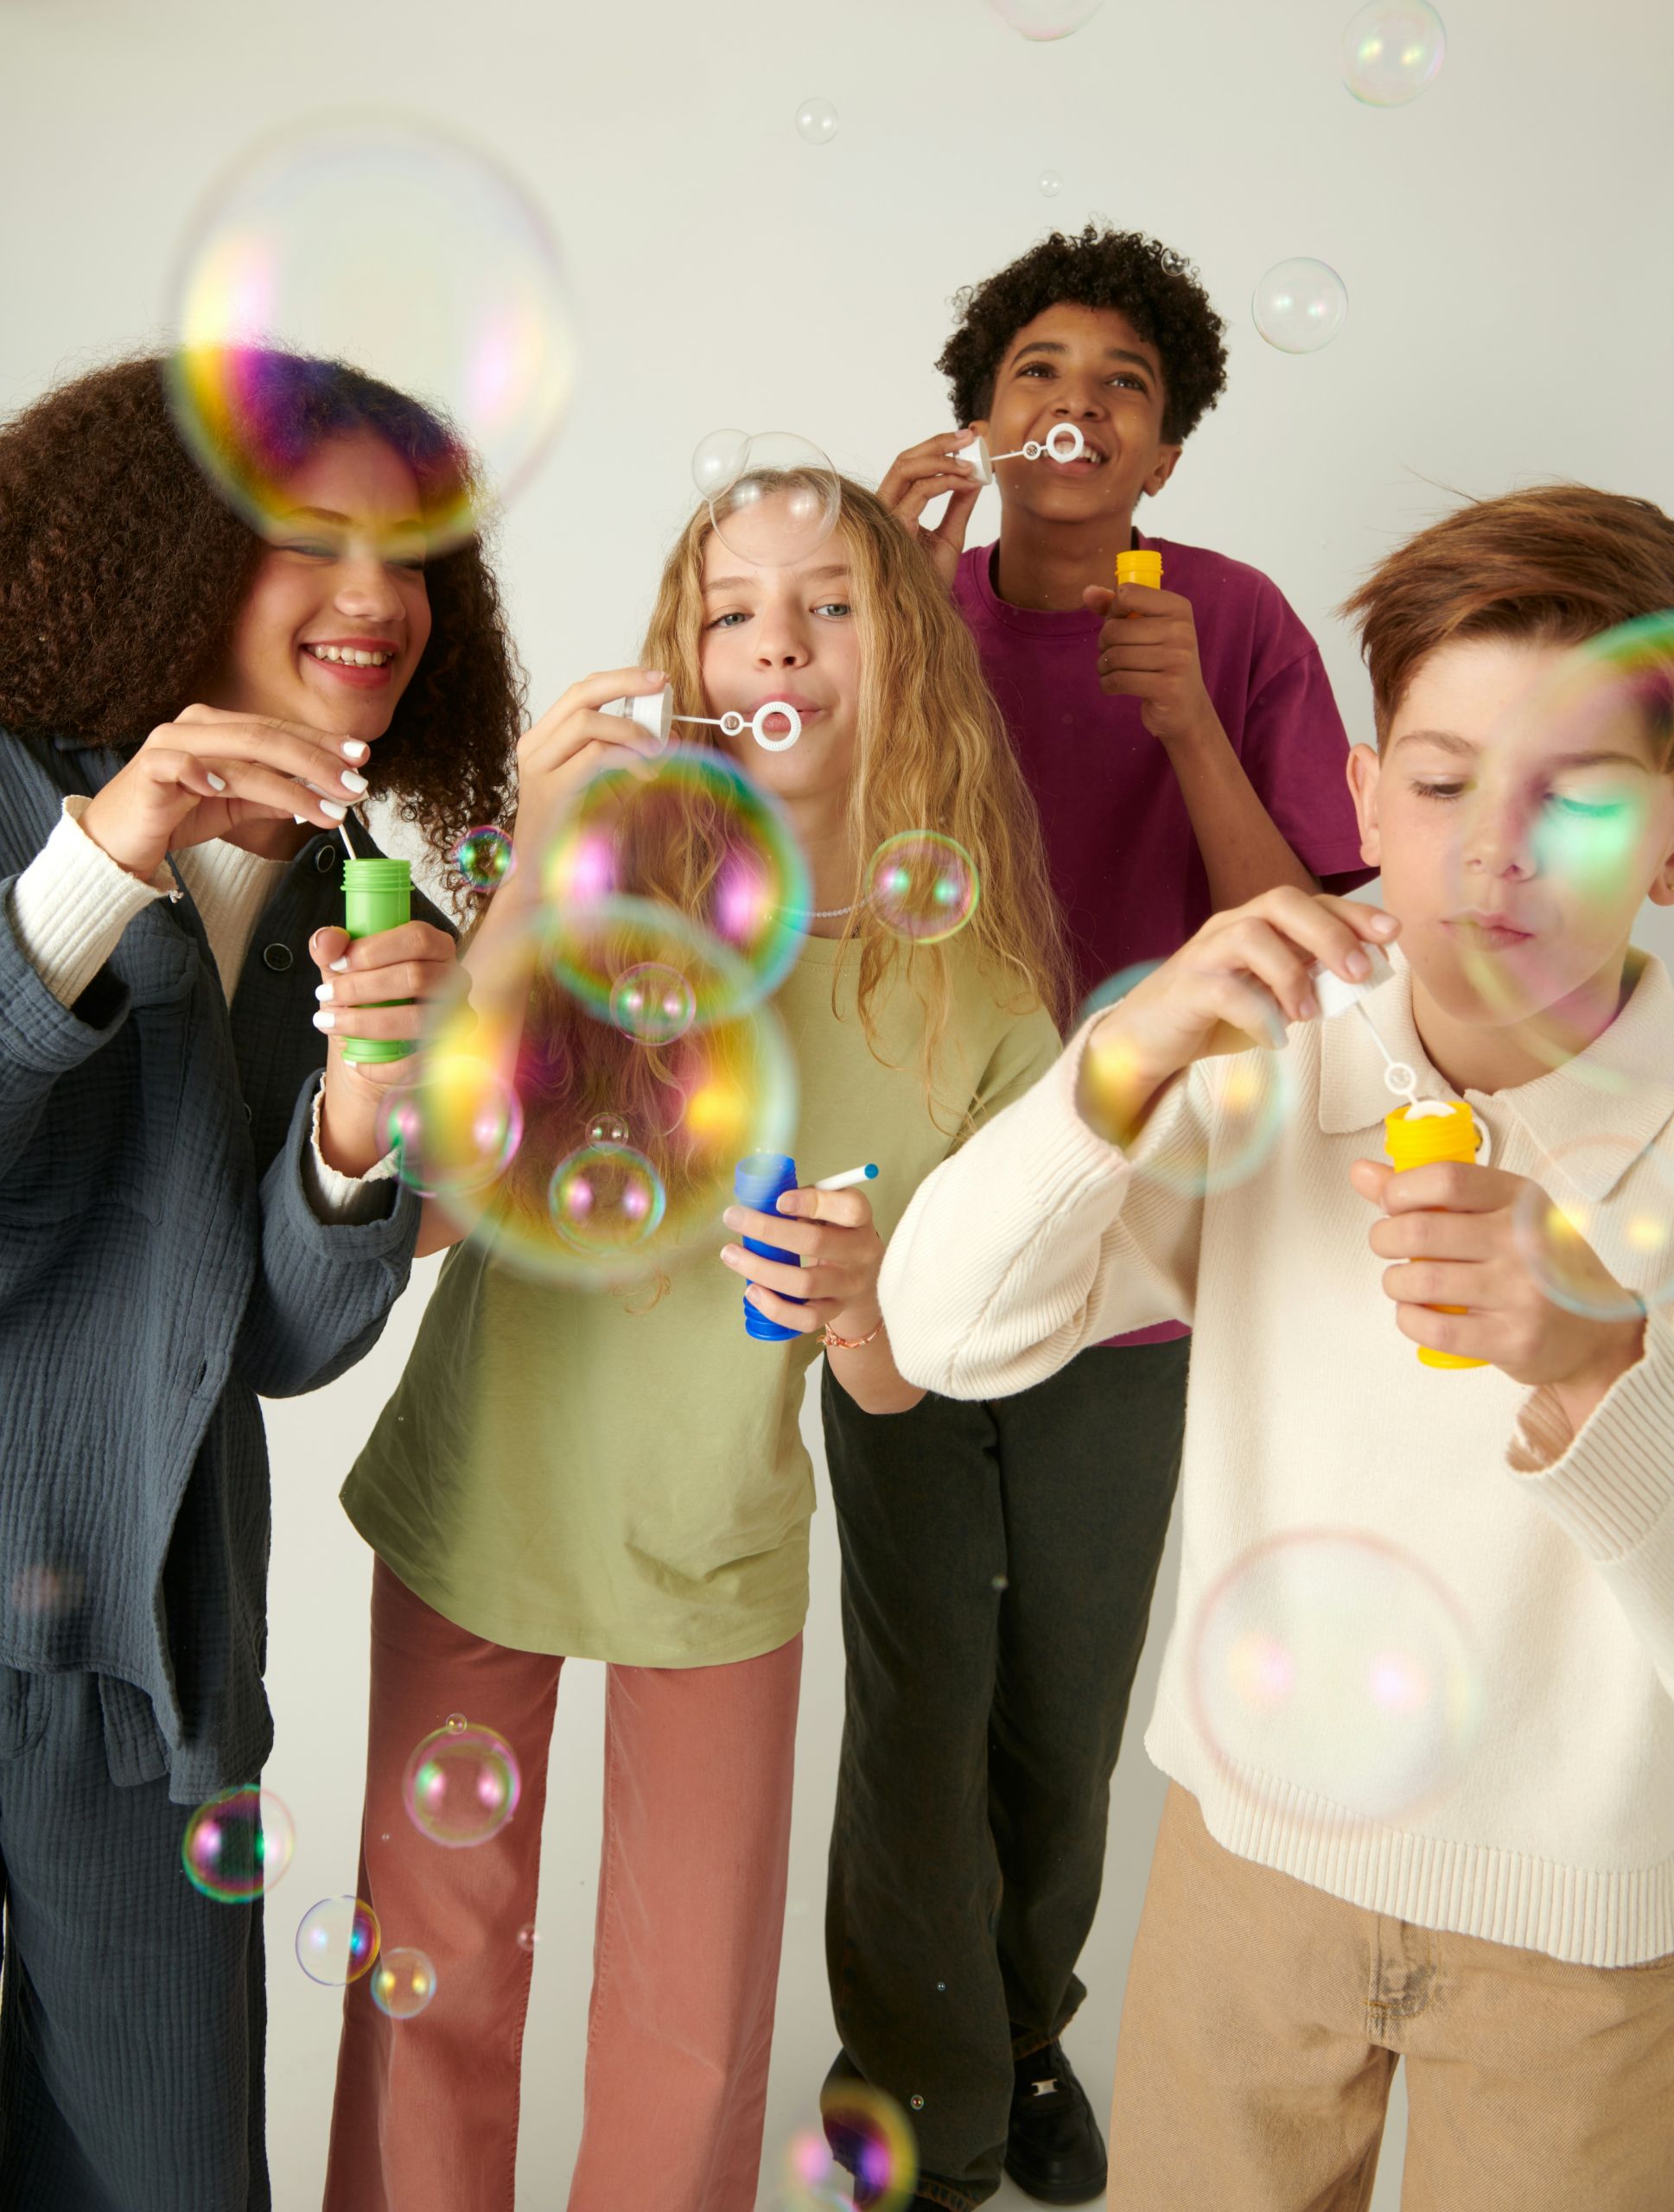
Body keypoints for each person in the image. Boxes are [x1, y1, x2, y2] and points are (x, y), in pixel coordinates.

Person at [877, 483, 1674, 2212]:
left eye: (1585, 793)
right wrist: (1129, 1047)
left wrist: (1605, 1367)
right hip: (1251, 1880)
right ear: (1367, 800)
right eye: (1448, 782)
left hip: (1596, 1950)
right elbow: (944, 1327)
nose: (1499, 850)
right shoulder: (1263, 1060)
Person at [323, 468, 1071, 2212]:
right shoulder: (598, 882)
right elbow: (424, 1205)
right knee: (431, 1986)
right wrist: (518, 867)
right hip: (477, 1504)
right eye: (733, 609)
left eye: (827, 602)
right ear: (686, 659)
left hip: (718, 1549)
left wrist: (868, 1301)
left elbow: (904, 1375)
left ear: (906, 647)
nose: (778, 642)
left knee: (692, 2027)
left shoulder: (981, 999)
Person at [819, 224, 1374, 2210]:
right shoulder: (904, 614)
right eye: (1038, 365)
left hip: (1134, 1259)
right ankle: (925, 2102)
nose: (1077, 399)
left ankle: (1023, 2018)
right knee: (916, 1702)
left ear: (1164, 448)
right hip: (898, 1228)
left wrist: (1189, 726)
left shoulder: (1229, 626)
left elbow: (1317, 937)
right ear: (984, 413)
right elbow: (797, 861)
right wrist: (858, 595)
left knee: (1060, 1698)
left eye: (1124, 380)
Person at [0, 350, 521, 2209]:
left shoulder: (357, 886)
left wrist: (367, 1118)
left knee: (162, 2171)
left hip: (150, 1646)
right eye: (314, 538)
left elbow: (284, 1339)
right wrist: (96, 864)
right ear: (166, 544)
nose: (383, 597)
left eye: (420, 553)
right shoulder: (24, 796)